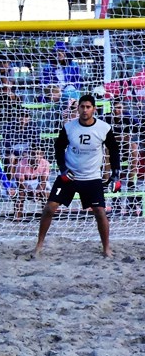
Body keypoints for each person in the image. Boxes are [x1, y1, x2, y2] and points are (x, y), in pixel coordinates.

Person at [33, 94, 121, 257]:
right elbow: (58, 148)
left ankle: (106, 248)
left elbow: (114, 150)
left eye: (88, 107)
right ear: (78, 108)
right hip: (70, 177)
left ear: (94, 109)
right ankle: (39, 245)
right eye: (82, 106)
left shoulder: (104, 128)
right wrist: (63, 169)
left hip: (92, 178)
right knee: (49, 208)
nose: (85, 110)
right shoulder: (69, 127)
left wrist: (116, 174)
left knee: (100, 211)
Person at [13, 145, 51, 220]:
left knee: (46, 193)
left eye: (38, 154)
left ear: (42, 155)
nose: (36, 156)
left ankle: (45, 217)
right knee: (20, 194)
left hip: (37, 181)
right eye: (33, 154)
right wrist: (29, 191)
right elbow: (19, 182)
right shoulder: (21, 163)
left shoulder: (45, 163)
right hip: (25, 182)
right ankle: (17, 217)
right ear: (29, 154)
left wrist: (37, 191)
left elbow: (43, 181)